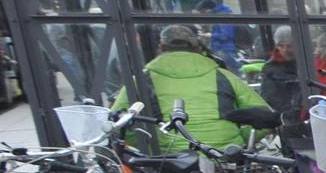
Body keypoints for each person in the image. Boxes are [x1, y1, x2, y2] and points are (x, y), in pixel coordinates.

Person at [113, 24, 271, 154]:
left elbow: (115, 123)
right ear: (197, 48)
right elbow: (266, 118)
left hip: (170, 159)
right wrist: (239, 139)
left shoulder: (140, 80)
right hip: (223, 156)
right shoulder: (223, 75)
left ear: (161, 48)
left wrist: (148, 146)